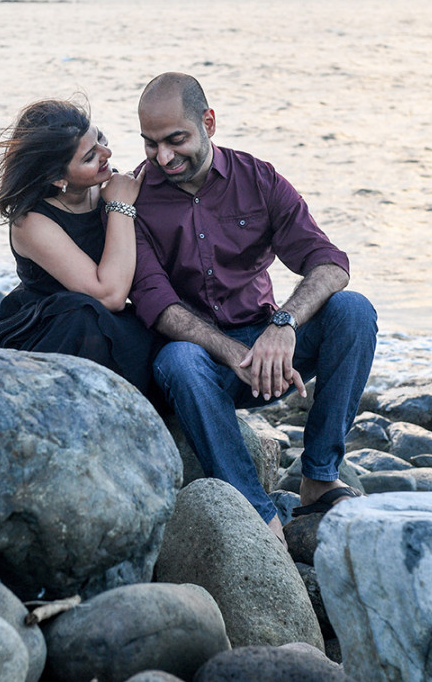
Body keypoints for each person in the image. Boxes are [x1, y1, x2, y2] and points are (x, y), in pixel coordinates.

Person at [129, 73, 377, 542]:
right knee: (177, 359)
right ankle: (257, 513)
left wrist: (282, 325)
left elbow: (330, 262)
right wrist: (230, 354)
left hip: (270, 355)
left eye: (175, 140)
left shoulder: (258, 179)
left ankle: (319, 477)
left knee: (354, 311)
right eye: (150, 144)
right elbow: (155, 303)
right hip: (201, 366)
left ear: (209, 122)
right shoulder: (136, 197)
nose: (163, 157)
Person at [0, 98, 158, 392]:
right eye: (90, 156)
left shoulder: (107, 185)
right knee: (80, 313)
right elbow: (109, 296)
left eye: (101, 139)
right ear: (56, 178)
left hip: (101, 323)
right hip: (47, 334)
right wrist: (120, 206)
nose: (107, 153)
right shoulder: (29, 221)